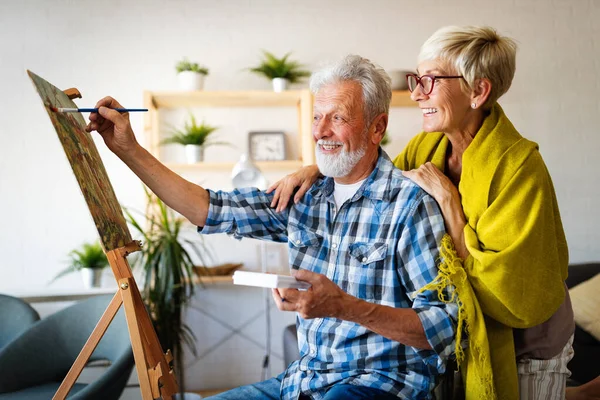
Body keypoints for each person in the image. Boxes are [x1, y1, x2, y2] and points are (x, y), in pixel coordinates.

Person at [87, 55, 459, 400]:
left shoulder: (410, 205)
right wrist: (127, 149)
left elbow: (443, 326)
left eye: (338, 118)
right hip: (306, 379)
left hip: (381, 384)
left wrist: (345, 307)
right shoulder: (304, 195)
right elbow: (206, 208)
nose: (321, 132)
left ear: (377, 127)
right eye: (317, 117)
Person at [267, 26, 578, 400]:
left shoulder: (520, 167)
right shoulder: (425, 147)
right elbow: (372, 178)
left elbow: (510, 292)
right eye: (417, 80)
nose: (416, 94)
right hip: (460, 336)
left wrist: (450, 203)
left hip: (526, 339)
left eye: (429, 81)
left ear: (478, 92)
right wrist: (316, 167)